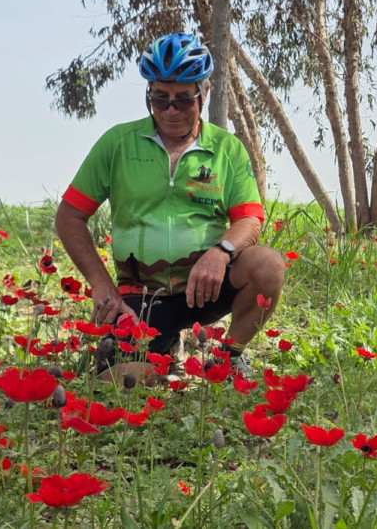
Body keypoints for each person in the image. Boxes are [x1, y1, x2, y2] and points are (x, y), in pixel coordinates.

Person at [55, 32, 284, 378]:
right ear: (148, 94)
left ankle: (229, 357)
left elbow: (250, 218)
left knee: (267, 264)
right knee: (125, 383)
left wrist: (221, 252)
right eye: (160, 98)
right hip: (142, 297)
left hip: (207, 288)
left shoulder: (227, 149)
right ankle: (163, 354)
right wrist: (102, 285)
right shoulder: (117, 144)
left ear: (204, 95)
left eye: (183, 98)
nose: (171, 109)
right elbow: (70, 216)